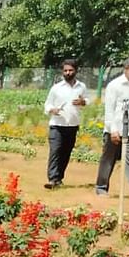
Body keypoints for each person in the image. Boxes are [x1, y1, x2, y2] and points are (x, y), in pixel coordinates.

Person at [96, 55, 129, 200]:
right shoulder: (115, 86)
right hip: (115, 128)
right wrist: (113, 129)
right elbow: (109, 110)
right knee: (108, 159)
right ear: (126, 69)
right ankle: (101, 188)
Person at [43, 59, 87, 188]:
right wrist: (53, 109)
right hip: (57, 125)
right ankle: (52, 179)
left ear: (76, 71)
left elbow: (87, 100)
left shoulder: (81, 87)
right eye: (65, 70)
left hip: (72, 125)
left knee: (66, 153)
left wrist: (83, 102)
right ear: (62, 72)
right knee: (55, 151)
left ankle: (59, 179)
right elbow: (47, 104)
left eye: (70, 70)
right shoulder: (56, 88)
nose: (68, 73)